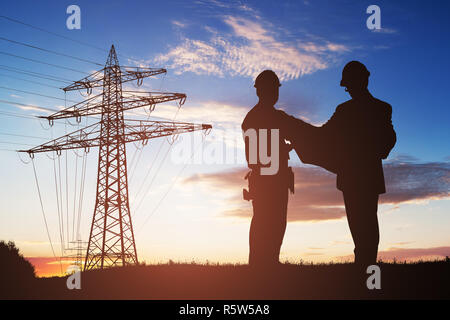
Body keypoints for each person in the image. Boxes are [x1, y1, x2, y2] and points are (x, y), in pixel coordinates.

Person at [289, 61, 396, 268]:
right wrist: (298, 134)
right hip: (363, 176)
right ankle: (365, 265)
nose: (347, 89)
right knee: (364, 222)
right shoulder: (379, 108)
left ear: (361, 81)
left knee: (361, 222)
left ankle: (364, 266)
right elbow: (323, 135)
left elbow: (321, 135)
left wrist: (296, 131)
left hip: (355, 176)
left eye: (349, 84)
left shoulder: (353, 110)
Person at [242, 70, 294, 267]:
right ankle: (260, 263)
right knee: (265, 220)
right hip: (266, 179)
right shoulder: (256, 118)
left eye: (275, 89)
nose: (275, 93)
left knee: (277, 221)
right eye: (272, 89)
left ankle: (270, 260)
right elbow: (255, 157)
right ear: (261, 92)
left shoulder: (272, 116)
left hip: (275, 177)